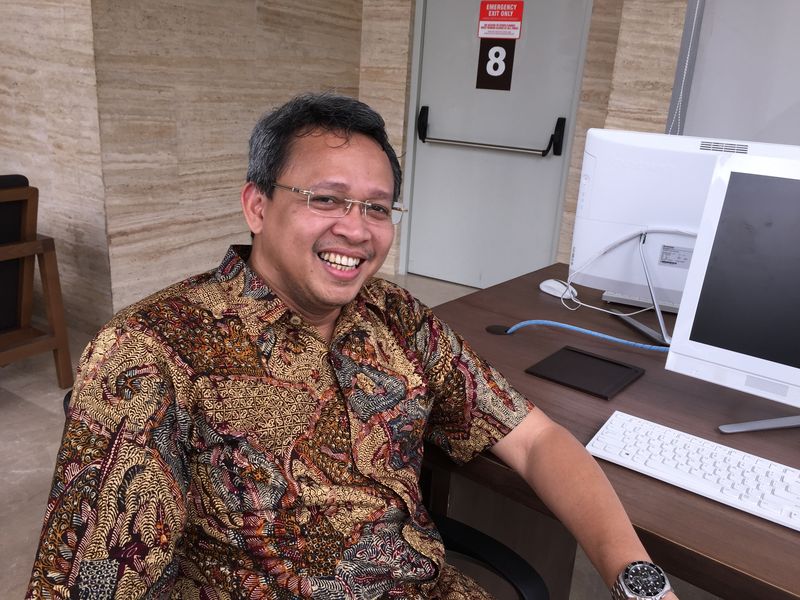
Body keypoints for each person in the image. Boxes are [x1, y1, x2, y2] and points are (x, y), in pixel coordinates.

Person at [27, 92, 677, 600]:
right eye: (327, 199)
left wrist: (641, 584)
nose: (357, 230)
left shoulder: (394, 316)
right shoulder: (150, 353)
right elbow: (88, 583)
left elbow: (534, 440)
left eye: (377, 208)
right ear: (257, 206)